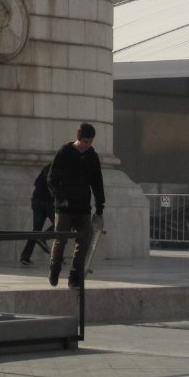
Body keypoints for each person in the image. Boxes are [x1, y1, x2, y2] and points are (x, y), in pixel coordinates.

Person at [47, 123, 105, 288]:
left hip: (83, 207)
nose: (87, 145)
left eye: (90, 142)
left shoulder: (92, 156)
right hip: (65, 207)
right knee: (61, 239)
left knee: (84, 241)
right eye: (85, 141)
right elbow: (51, 178)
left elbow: (97, 183)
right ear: (78, 139)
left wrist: (100, 206)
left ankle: (75, 275)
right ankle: (54, 267)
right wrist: (60, 197)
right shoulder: (65, 152)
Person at [19, 164, 55, 266]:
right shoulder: (59, 167)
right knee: (61, 226)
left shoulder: (49, 166)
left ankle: (25, 256)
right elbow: (53, 184)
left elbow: (37, 182)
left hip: (37, 200)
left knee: (36, 230)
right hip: (48, 202)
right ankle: (44, 239)